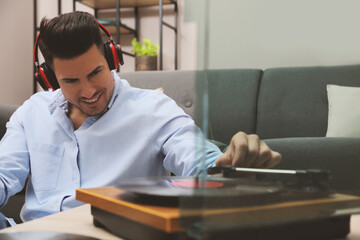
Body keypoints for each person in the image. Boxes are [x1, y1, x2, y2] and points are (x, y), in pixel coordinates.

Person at [0, 11, 281, 226]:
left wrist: (229, 166)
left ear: (112, 58)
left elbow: (200, 161)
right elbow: (3, 175)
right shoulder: (32, 113)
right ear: (49, 79)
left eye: (96, 72)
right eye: (71, 80)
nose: (88, 91)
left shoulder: (153, 110)